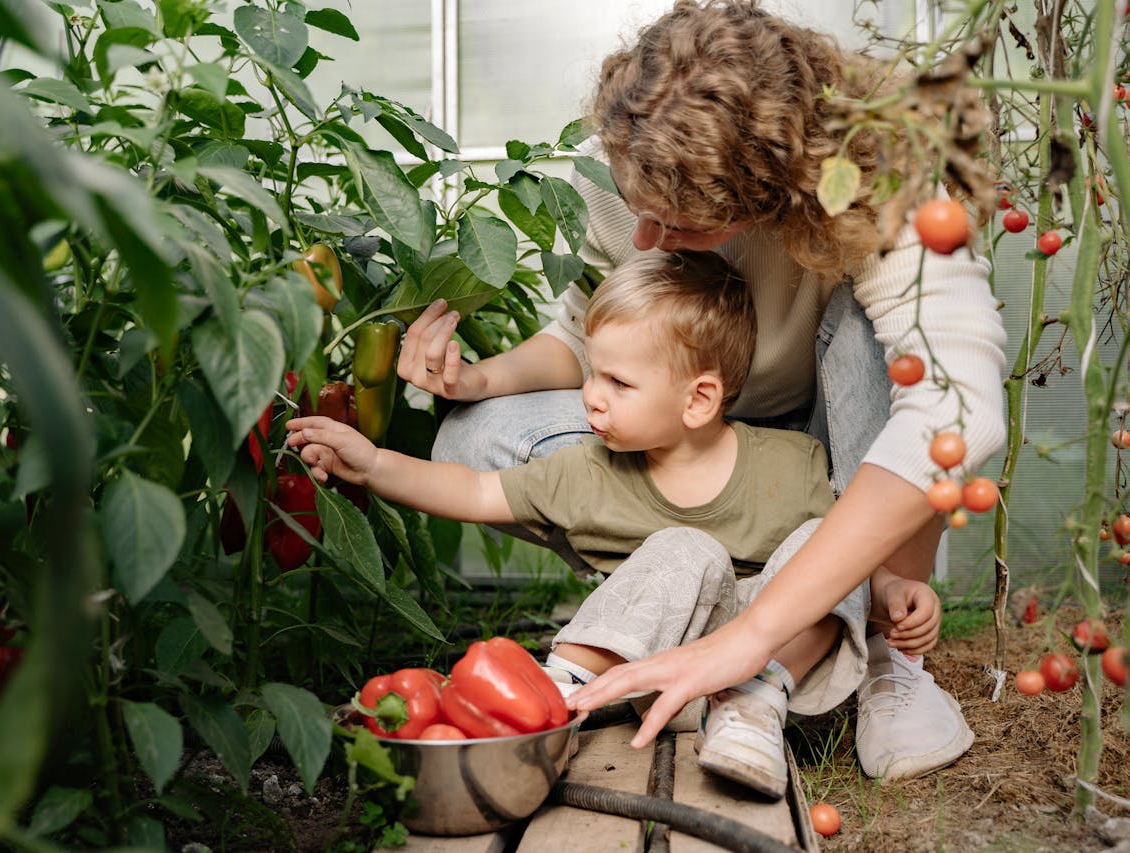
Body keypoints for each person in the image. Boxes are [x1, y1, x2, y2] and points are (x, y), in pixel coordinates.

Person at [395, 0, 1006, 782]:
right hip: (690, 442)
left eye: (679, 225)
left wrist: (745, 641)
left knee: (884, 342)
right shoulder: (633, 158)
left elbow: (957, 406)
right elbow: (586, 333)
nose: (644, 242)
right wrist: (477, 378)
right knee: (475, 434)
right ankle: (696, 594)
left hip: (826, 444)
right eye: (637, 213)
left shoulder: (886, 179)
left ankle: (875, 643)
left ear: (771, 191)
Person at [289, 252, 940, 799]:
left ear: (699, 399)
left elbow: (851, 559)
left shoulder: (791, 464)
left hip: (783, 675)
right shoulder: (592, 470)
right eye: (591, 371)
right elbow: (474, 487)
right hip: (658, 679)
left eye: (617, 381)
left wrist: (892, 592)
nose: (589, 396)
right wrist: (373, 463)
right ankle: (551, 702)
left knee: (822, 540)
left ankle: (750, 706)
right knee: (683, 547)